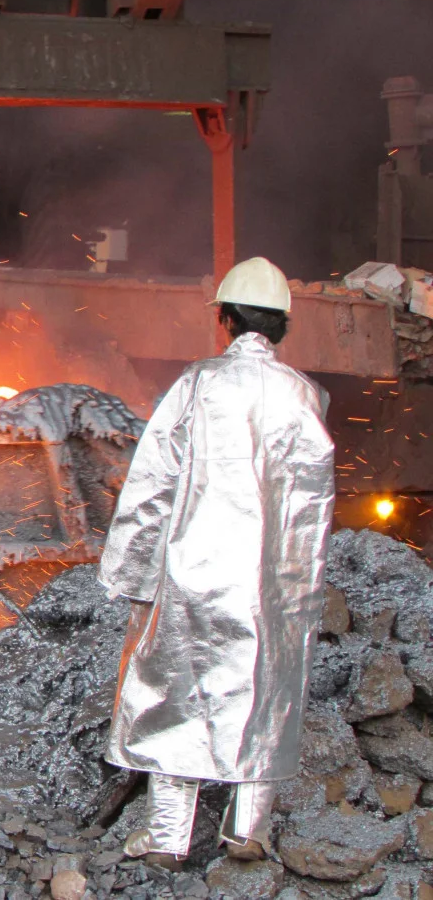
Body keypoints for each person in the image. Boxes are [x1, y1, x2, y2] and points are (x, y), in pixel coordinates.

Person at [97, 256, 337, 868]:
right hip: (273, 583)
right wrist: (301, 587)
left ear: (225, 319)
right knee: (268, 688)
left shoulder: (198, 384)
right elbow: (313, 504)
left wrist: (130, 572)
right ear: (282, 324)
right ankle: (248, 830)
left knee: (175, 692)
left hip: (194, 573)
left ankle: (167, 838)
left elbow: (153, 484)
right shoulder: (305, 395)